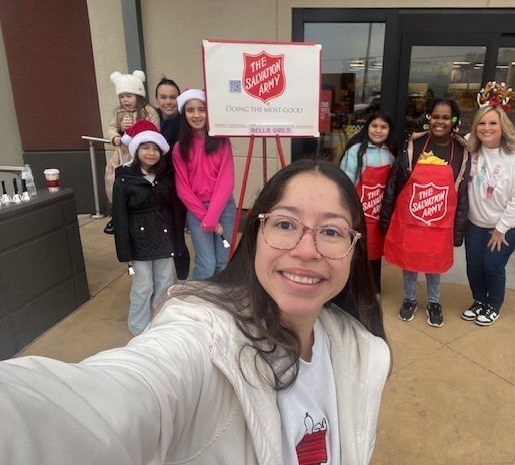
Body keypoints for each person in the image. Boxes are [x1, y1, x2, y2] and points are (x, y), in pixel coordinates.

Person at [0, 158, 391, 464]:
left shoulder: (355, 347)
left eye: (332, 231)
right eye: (285, 224)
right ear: (256, 236)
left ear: (355, 252)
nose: (307, 250)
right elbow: (106, 405)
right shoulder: (205, 340)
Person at [380, 98, 469, 327]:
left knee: (434, 263)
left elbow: (463, 194)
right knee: (409, 261)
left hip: (441, 221)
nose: (440, 121)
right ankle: (409, 299)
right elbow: (395, 182)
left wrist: (458, 232)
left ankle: (433, 302)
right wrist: (387, 218)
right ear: (428, 118)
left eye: (446, 117)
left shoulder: (461, 151)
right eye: (436, 116)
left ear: (454, 121)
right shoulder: (414, 145)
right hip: (412, 218)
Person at [462, 82, 515, 326]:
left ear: (503, 126)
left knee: (492, 263)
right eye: (481, 123)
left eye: (493, 123)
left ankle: (493, 304)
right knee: (474, 263)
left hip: (513, 221)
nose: (486, 128)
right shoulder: (471, 147)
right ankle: (479, 300)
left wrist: (501, 228)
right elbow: (446, 139)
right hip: (477, 220)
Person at [112, 120, 177, 336]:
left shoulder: (166, 174)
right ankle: (139, 328)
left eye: (155, 148)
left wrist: (177, 240)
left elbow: (173, 210)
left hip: (163, 237)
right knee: (142, 287)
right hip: (138, 241)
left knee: (165, 283)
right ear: (136, 149)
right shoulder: (124, 176)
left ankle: (159, 323)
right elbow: (119, 217)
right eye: (145, 147)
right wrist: (125, 252)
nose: (151, 153)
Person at [172, 89, 236, 280]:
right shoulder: (179, 148)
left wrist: (213, 216)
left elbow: (226, 181)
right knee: (207, 265)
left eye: (202, 109)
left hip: (224, 208)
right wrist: (205, 217)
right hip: (197, 211)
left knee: (223, 262)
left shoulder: (222, 142)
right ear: (184, 114)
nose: (197, 115)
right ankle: (198, 302)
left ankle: (218, 302)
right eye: (191, 110)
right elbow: (183, 188)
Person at [339, 111, 396, 294]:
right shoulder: (355, 152)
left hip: (379, 214)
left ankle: (373, 289)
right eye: (374, 126)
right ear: (367, 127)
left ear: (389, 130)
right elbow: (345, 184)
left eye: (383, 127)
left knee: (375, 253)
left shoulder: (390, 153)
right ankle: (352, 290)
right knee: (357, 251)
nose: (378, 131)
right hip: (358, 213)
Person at [104, 70, 160, 234]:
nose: (125, 100)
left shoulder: (148, 111)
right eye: (122, 96)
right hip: (123, 152)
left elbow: (155, 131)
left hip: (142, 154)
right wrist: (116, 136)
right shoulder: (119, 113)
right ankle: (117, 211)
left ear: (139, 95)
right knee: (112, 175)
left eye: (129, 95)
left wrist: (135, 126)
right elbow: (111, 128)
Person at [154, 77, 190, 280]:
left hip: (177, 188)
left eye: (173, 97)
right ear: (157, 99)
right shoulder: (150, 122)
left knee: (176, 237)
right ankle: (163, 282)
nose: (168, 101)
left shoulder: (185, 124)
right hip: (154, 189)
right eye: (163, 97)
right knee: (158, 236)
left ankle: (182, 282)